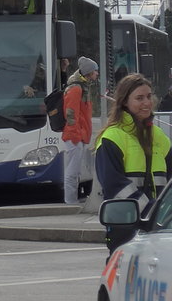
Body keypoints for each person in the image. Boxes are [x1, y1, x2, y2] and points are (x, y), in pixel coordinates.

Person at [96, 72, 172, 253]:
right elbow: (114, 185)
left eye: (148, 96)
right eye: (139, 98)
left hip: (159, 228)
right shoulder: (111, 138)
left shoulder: (159, 136)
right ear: (124, 102)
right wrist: (151, 211)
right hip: (126, 228)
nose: (146, 103)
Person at [62, 56, 99, 206]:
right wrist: (76, 135)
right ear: (88, 72)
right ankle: (70, 201)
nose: (97, 73)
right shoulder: (76, 89)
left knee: (75, 170)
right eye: (95, 71)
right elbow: (71, 114)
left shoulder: (81, 87)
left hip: (78, 135)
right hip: (75, 135)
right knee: (73, 170)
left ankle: (72, 200)